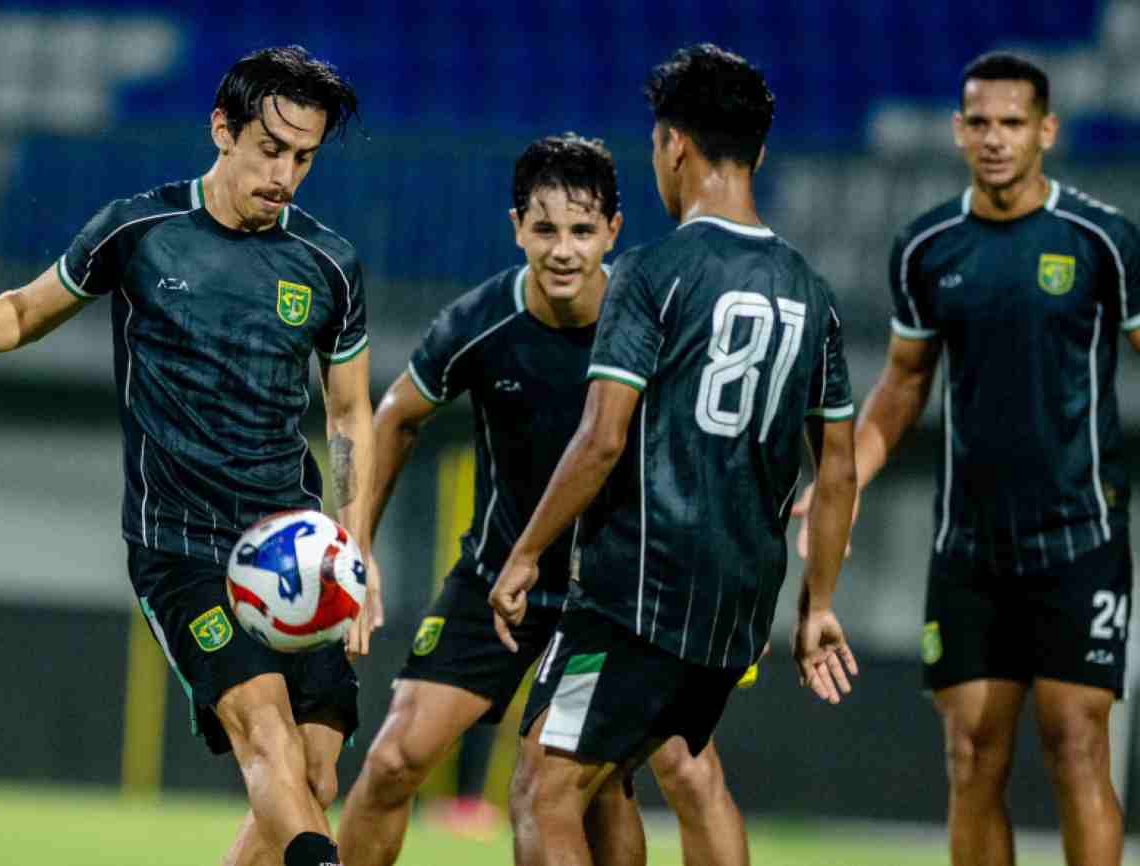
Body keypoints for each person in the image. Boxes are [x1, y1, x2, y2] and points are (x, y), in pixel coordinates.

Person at [0, 46, 382, 866]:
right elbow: (26, 312)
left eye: (304, 158)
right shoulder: (138, 231)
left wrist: (354, 546)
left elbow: (350, 410)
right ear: (222, 129)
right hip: (180, 548)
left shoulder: (329, 264)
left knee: (314, 777)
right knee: (266, 736)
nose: (286, 174)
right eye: (271, 149)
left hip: (295, 549)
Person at [335, 133, 755, 866]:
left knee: (664, 777)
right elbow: (395, 414)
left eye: (583, 230)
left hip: (621, 597)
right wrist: (357, 544)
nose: (564, 250)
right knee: (392, 762)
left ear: (614, 233)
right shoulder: (480, 322)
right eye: (546, 229)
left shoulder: (658, 320)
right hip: (497, 581)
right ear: (516, 228)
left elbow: (726, 436)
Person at [489, 45, 860, 866]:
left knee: (543, 790)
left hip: (635, 597)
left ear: (673, 146)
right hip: (738, 610)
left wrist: (524, 554)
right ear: (758, 152)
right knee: (653, 774)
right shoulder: (812, 292)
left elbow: (602, 437)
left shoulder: (652, 275)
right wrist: (819, 603)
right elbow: (838, 466)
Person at [795, 51, 1140, 866]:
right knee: (970, 757)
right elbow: (904, 386)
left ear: (1046, 131)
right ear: (957, 131)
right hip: (969, 549)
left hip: (1080, 537)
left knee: (1076, 742)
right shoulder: (927, 248)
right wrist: (848, 477)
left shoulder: (1102, 240)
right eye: (979, 122)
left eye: (1012, 123)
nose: (994, 138)